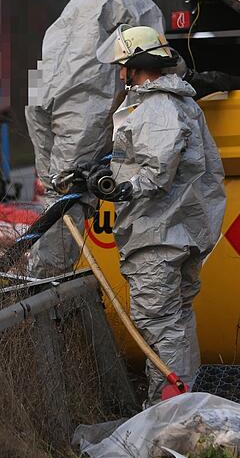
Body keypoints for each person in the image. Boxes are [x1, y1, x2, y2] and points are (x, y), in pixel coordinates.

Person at [88, 25, 226, 403]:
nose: (120, 74)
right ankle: (184, 406)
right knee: (176, 322)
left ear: (139, 65)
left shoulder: (157, 107)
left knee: (158, 326)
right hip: (176, 232)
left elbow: (156, 172)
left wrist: (120, 189)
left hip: (159, 236)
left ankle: (166, 413)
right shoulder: (176, 102)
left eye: (124, 66)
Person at [25, 0, 165, 276]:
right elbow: (156, 59)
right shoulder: (133, 1)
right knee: (67, 208)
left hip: (40, 102)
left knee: (54, 196)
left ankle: (35, 282)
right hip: (81, 114)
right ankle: (42, 296)